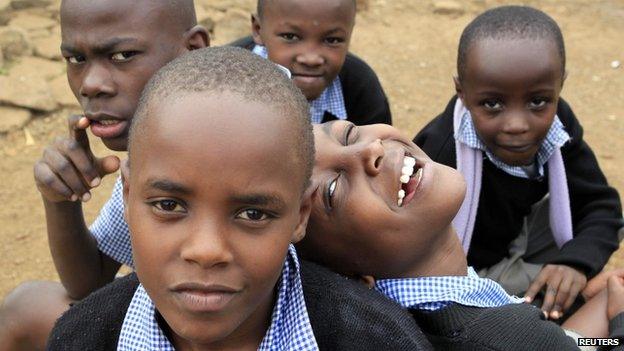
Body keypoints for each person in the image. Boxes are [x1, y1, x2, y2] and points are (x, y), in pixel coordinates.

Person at [47, 47, 431, 351]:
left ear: (300, 215)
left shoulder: (375, 339)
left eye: (253, 213)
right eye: (169, 205)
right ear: (128, 197)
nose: (207, 251)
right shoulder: (83, 337)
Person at [297, 120, 624, 350]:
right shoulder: (492, 336)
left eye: (349, 134)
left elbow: (568, 344)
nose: (369, 149)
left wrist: (596, 306)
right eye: (333, 191)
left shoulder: (437, 319)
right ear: (353, 276)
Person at [0, 1, 208, 350]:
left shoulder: (244, 141)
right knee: (27, 308)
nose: (91, 85)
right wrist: (61, 201)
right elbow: (90, 283)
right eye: (76, 59)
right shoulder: (151, 149)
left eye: (123, 55)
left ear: (192, 50)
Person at [414, 5, 623, 320]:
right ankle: (577, 302)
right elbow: (413, 256)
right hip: (471, 268)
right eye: (492, 104)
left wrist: (574, 262)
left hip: (518, 231)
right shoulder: (440, 154)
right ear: (462, 92)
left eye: (537, 101)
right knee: (546, 303)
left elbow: (601, 207)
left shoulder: (557, 126)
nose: (516, 124)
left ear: (559, 86)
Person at [230, 0, 392, 125]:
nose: (311, 59)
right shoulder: (224, 78)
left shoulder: (360, 88)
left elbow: (380, 157)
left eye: (332, 40)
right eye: (290, 37)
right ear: (258, 29)